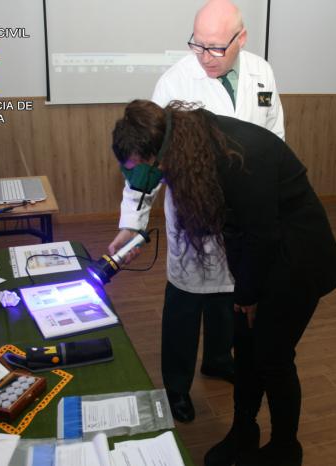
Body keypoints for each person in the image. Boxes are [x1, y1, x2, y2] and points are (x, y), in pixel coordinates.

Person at [111, 100, 336, 466]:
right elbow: (238, 231)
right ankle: (243, 432)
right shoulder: (191, 146)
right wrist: (244, 289)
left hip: (299, 257)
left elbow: (261, 234)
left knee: (273, 356)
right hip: (258, 250)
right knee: (246, 349)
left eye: (148, 168)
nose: (153, 178)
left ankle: (286, 449)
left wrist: (248, 296)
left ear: (159, 152)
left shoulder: (238, 155)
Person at [107, 0, 285, 424]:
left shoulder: (263, 73)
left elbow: (275, 138)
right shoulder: (175, 82)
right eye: (197, 45)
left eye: (215, 48)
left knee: (230, 295)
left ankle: (219, 360)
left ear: (241, 39)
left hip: (242, 216)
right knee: (185, 304)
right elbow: (145, 166)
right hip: (193, 218)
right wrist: (131, 226)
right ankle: (176, 386)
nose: (203, 57)